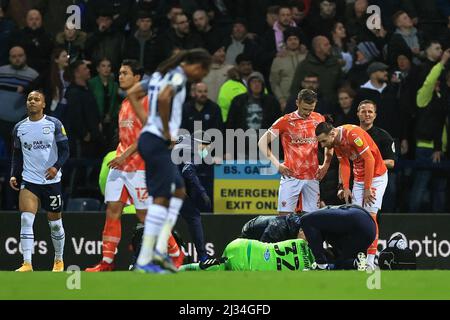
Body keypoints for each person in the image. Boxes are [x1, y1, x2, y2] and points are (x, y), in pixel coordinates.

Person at [127, 48, 212, 273]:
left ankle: (156, 252)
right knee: (162, 198)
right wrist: (164, 130)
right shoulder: (178, 76)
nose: (202, 76)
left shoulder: (158, 75)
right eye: (203, 70)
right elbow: (164, 98)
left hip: (150, 138)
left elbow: (133, 93)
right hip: (157, 142)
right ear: (193, 65)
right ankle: (146, 259)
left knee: (177, 191)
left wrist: (148, 122)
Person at [85, 60, 150, 272]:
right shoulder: (123, 103)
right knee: (112, 211)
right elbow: (125, 137)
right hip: (120, 167)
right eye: (119, 73)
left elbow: (145, 135)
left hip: (138, 167)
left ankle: (171, 256)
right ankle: (107, 262)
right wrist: (120, 156)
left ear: (137, 78)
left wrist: (125, 156)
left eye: (125, 73)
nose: (119, 76)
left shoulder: (145, 101)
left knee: (145, 216)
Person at [9, 91, 70, 272]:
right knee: (26, 219)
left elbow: (66, 150)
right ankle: (27, 263)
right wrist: (14, 174)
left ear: (43, 104)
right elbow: (17, 154)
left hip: (52, 181)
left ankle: (58, 260)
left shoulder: (54, 124)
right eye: (29, 99)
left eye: (36, 99)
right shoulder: (19, 128)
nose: (32, 102)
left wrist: (56, 167)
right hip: (29, 180)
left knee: (55, 224)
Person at [315, 121, 388, 269]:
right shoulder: (335, 142)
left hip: (376, 177)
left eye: (323, 141)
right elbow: (344, 163)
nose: (322, 146)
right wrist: (346, 187)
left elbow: (369, 159)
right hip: (359, 178)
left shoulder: (353, 134)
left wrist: (368, 188)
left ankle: (370, 262)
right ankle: (358, 257)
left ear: (332, 134)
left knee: (370, 216)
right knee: (355, 218)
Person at [258, 89, 333, 214]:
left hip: (312, 176)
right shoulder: (285, 121)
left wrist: (326, 164)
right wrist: (277, 165)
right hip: (291, 175)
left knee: (311, 219)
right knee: (283, 218)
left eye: (311, 109)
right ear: (297, 102)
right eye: (305, 109)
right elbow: (262, 142)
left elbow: (329, 141)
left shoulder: (319, 118)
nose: (308, 113)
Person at [299, 204, 376, 270]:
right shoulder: (323, 231)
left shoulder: (314, 221)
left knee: (305, 219)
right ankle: (356, 263)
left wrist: (320, 260)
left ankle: (321, 265)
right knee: (337, 263)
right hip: (367, 232)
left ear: (301, 230)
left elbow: (306, 220)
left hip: (358, 218)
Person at [179, 238, 315, 272]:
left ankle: (182, 268)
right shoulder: (308, 269)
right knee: (220, 267)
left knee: (220, 264)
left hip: (240, 245)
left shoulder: (300, 242)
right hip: (246, 266)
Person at [357, 100, 396, 211]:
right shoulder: (351, 134)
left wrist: (369, 162)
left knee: (371, 212)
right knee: (355, 213)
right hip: (355, 180)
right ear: (358, 114)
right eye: (363, 111)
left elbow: (391, 162)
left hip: (375, 180)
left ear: (375, 115)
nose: (367, 114)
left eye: (370, 111)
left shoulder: (384, 136)